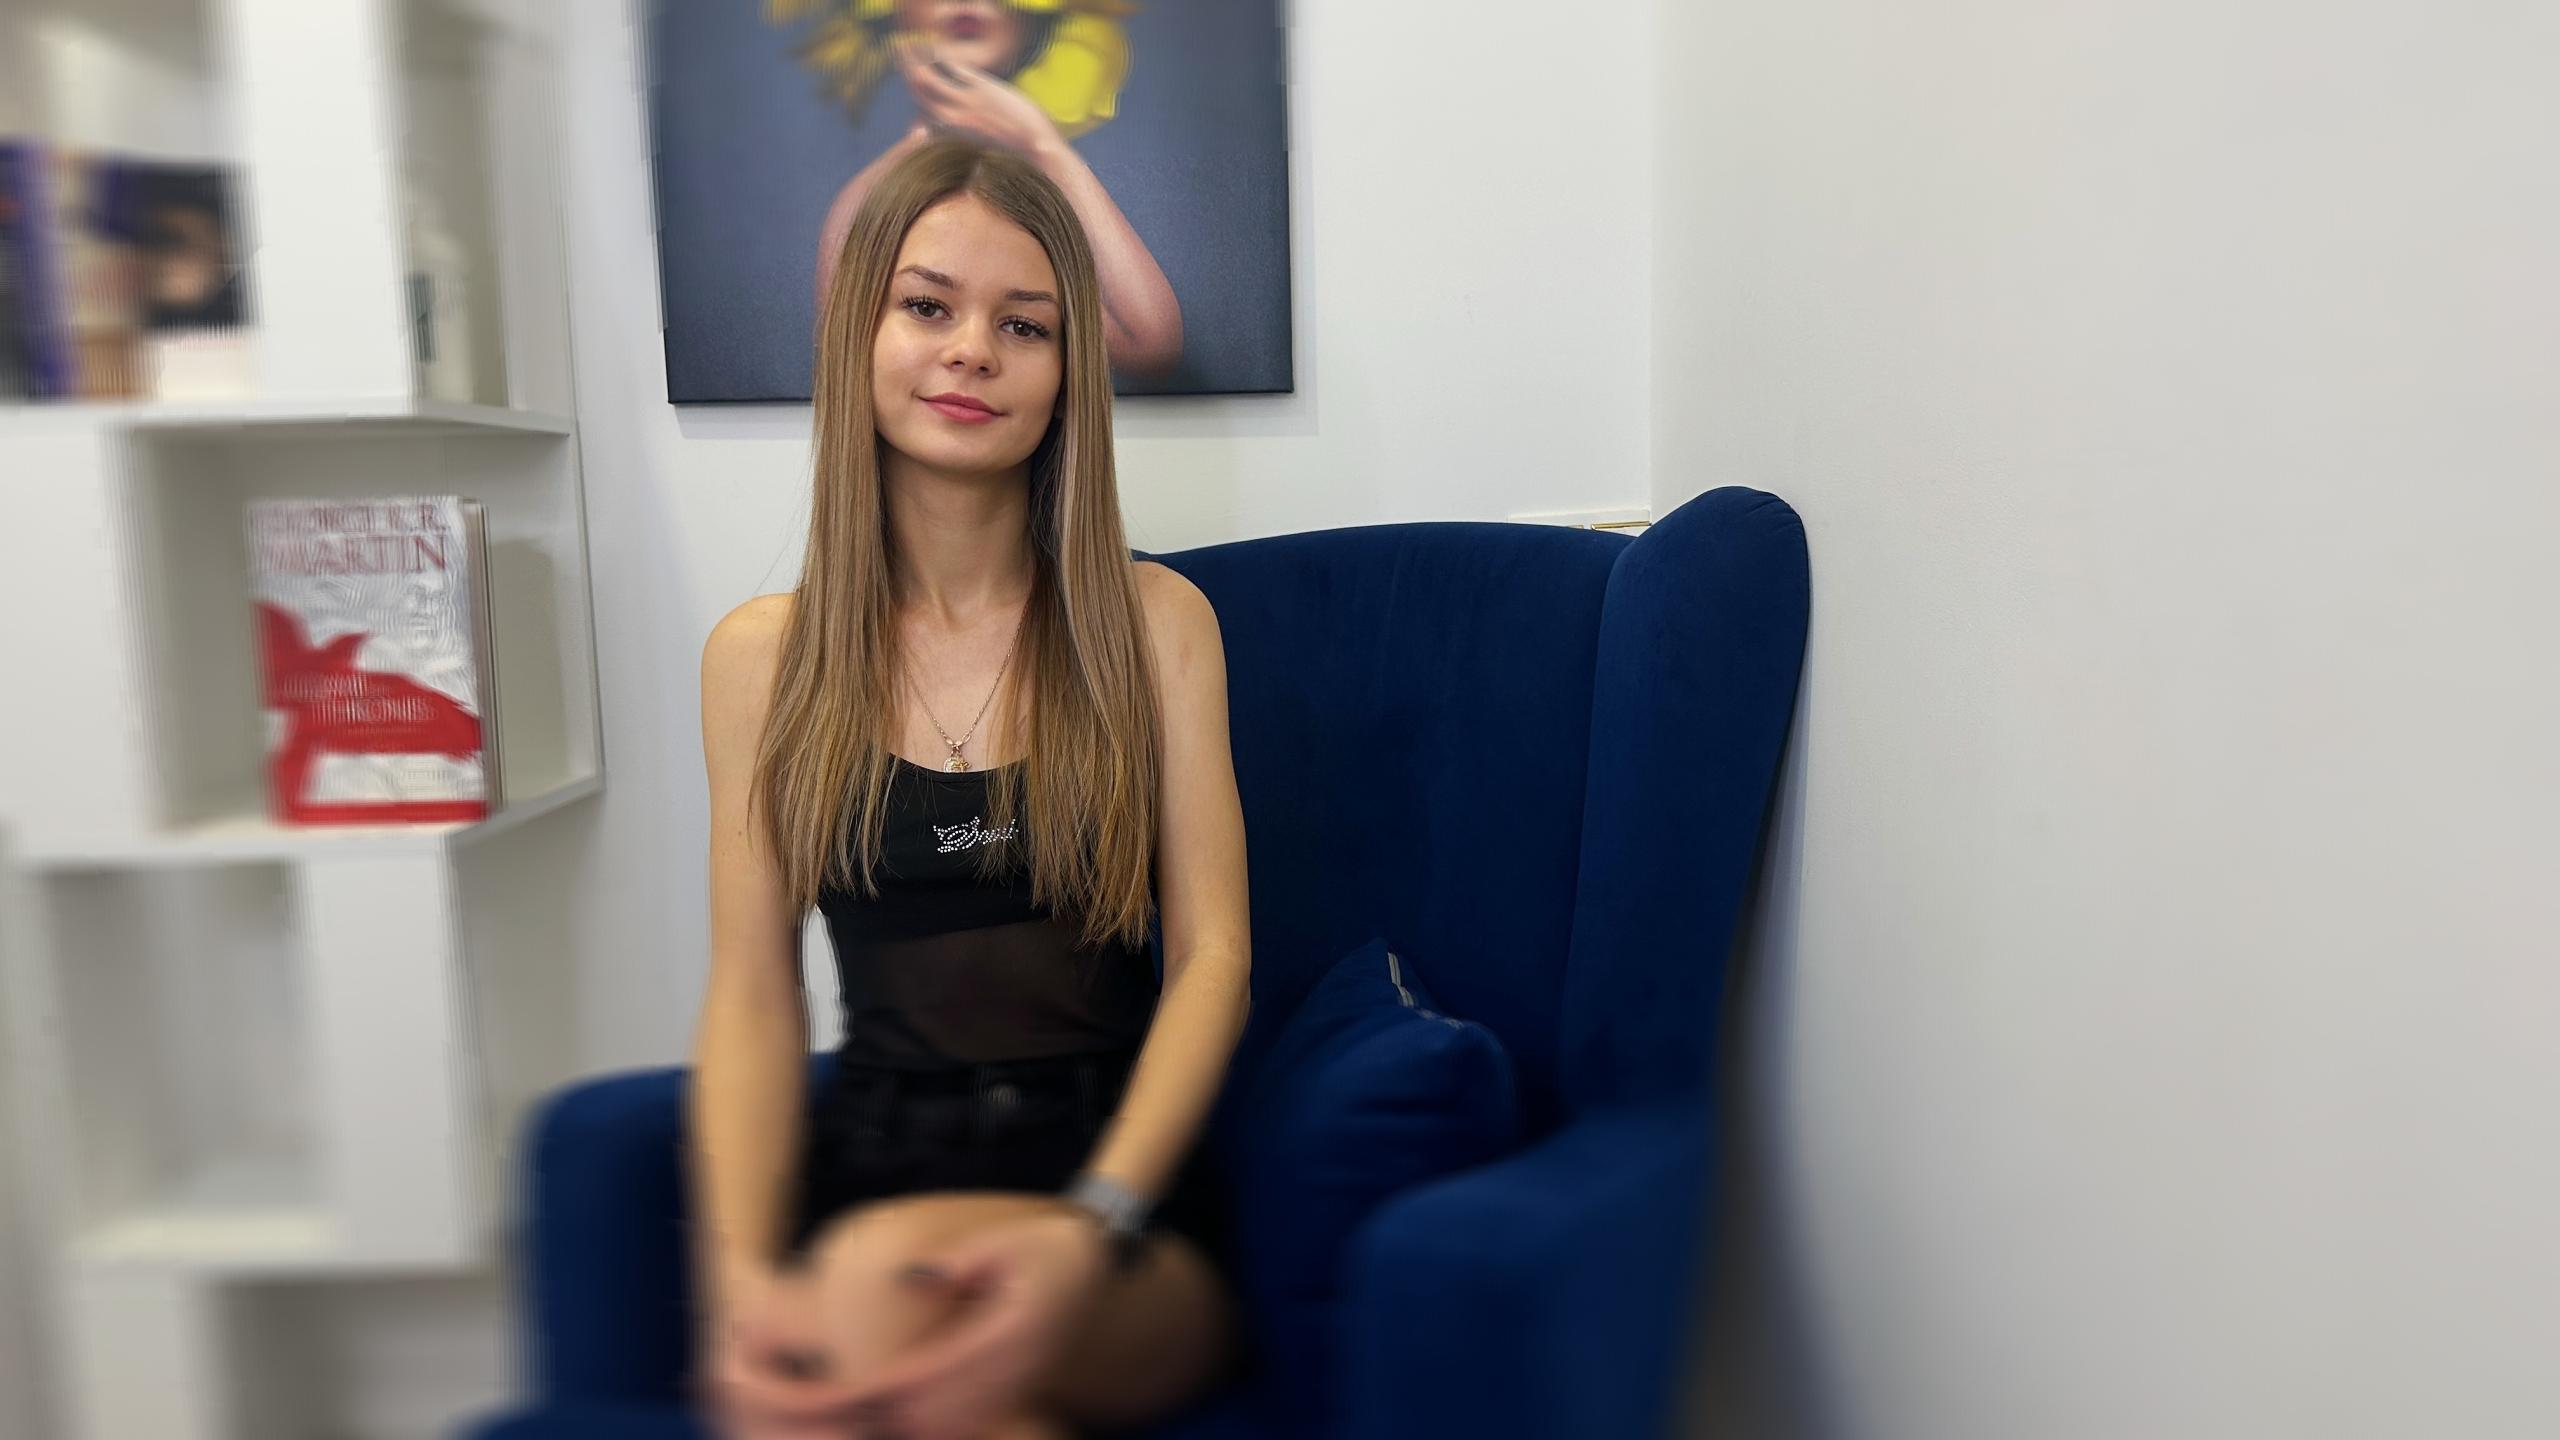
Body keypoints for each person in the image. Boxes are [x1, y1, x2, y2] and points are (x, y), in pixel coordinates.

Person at [688, 134, 1248, 1440]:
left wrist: (1094, 1220)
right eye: (928, 307)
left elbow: (1215, 958)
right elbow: (753, 993)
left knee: (872, 1337)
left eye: (1023, 325)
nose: (972, 352)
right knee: (871, 1348)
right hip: (878, 1182)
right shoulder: (760, 659)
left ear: (1068, 371)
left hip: (1121, 1205)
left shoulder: (1157, 623)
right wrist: (740, 1287)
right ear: (858, 333)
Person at [788, 0, 1186, 376]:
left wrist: (1043, 145)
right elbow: (847, 372)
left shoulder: (1065, 167)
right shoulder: (870, 198)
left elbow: (1151, 344)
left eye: (1022, 325)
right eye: (926, 307)